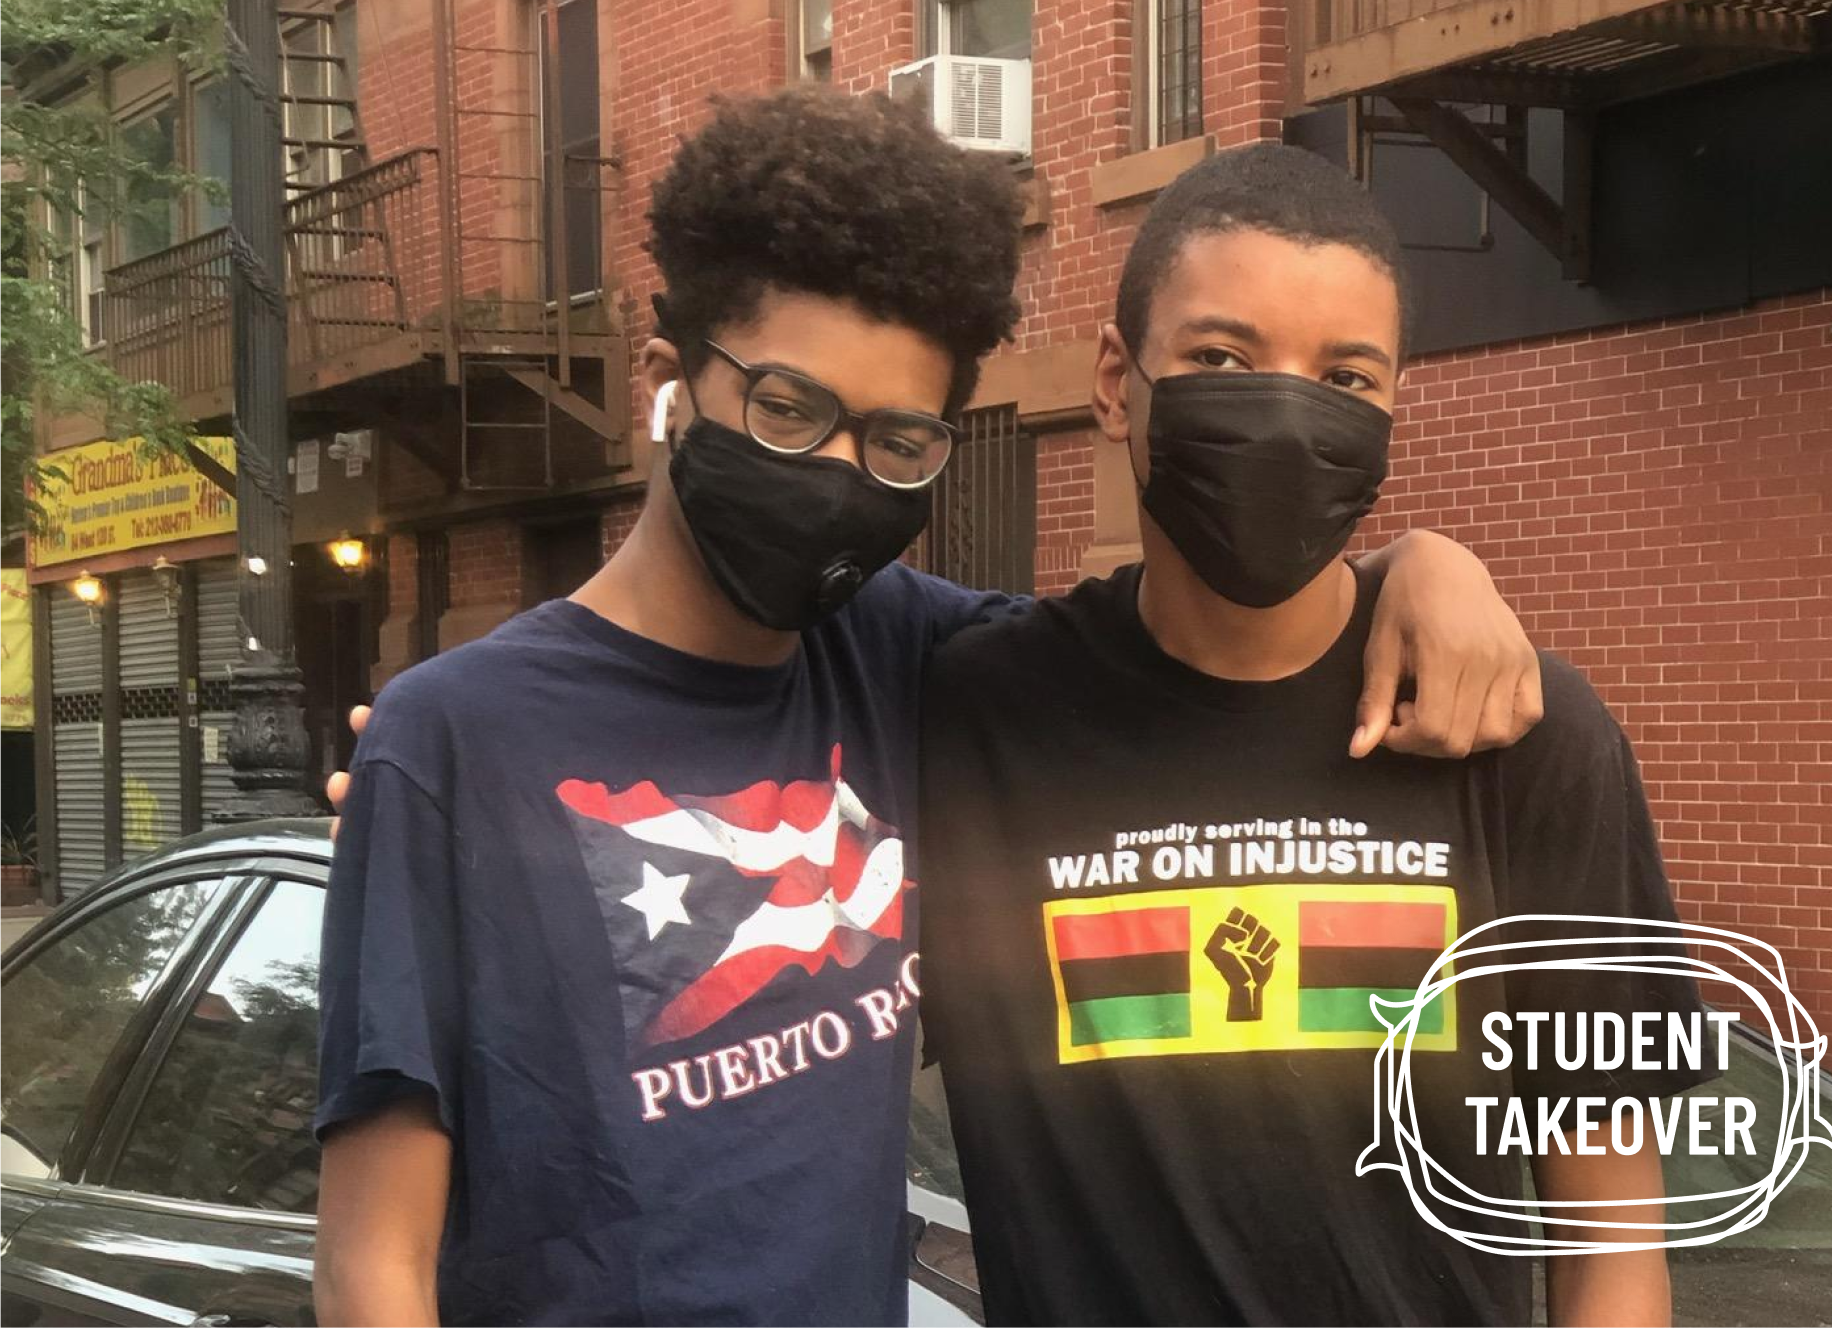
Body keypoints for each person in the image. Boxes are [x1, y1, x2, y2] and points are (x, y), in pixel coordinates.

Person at [313, 90, 1542, 1328]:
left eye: (898, 441)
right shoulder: (455, 734)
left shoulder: (908, 658)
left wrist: (1420, 563)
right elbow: (374, 1261)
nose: (836, 473)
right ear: (670, 383)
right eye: (787, 408)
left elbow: (1183, 641)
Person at [916, 144, 1716, 1328]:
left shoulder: (1520, 736)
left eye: (1345, 376)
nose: (1286, 415)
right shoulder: (973, 718)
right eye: (1220, 358)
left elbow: (1610, 1244)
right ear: (1114, 380)